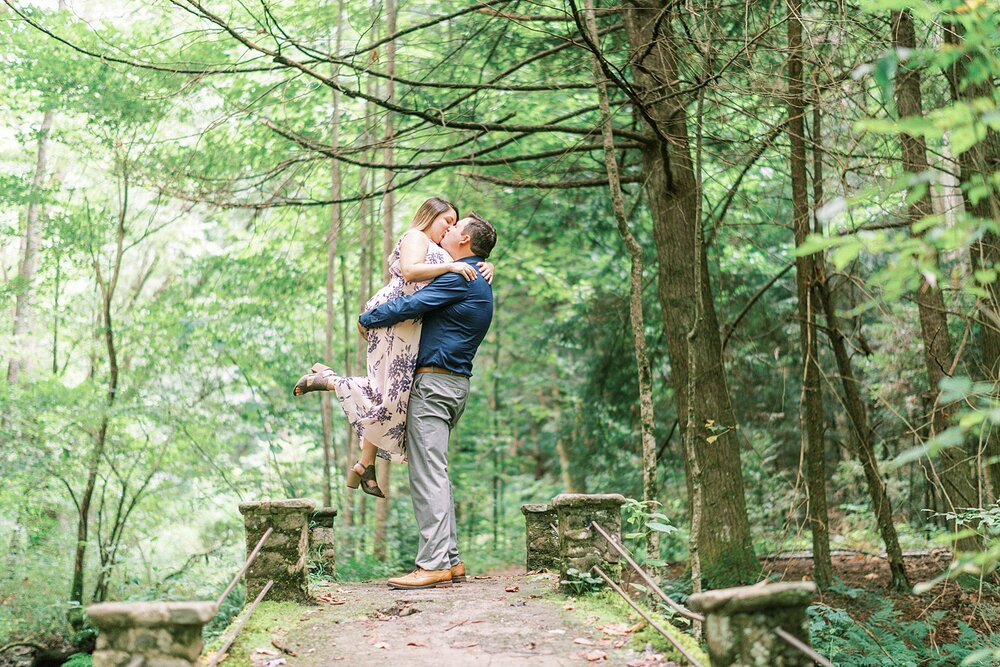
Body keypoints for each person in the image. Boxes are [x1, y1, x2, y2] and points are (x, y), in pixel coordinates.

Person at [292, 198, 494, 497]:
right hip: (395, 313)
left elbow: (460, 267)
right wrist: (455, 265)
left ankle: (365, 462)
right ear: (430, 216)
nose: (449, 227)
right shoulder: (416, 236)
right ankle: (332, 382)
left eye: (454, 224)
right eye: (446, 221)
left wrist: (484, 264)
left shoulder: (441, 250)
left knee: (391, 395)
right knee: (389, 393)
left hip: (408, 319)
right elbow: (411, 272)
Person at [358, 212, 497, 590]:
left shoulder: (458, 277)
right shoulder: (477, 278)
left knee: (427, 472)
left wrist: (368, 317)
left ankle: (433, 563)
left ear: (465, 240)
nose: (447, 230)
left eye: (455, 227)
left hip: (434, 385)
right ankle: (449, 560)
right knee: (437, 470)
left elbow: (410, 306)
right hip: (453, 385)